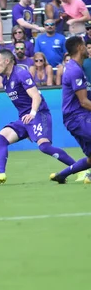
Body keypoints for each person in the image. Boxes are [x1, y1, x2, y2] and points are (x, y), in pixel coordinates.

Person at [0, 49, 76, 184]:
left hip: (38, 113)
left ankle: (82, 170)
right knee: (0, 139)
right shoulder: (5, 80)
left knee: (45, 147)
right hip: (25, 118)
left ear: (7, 61)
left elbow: (36, 96)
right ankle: (0, 173)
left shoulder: (21, 74)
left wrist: (32, 114)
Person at [50, 36, 91, 184]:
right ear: (80, 47)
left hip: (77, 118)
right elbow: (84, 102)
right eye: (85, 45)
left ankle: (62, 175)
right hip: (78, 118)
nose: (87, 48)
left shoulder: (76, 67)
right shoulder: (74, 70)